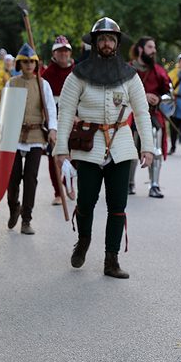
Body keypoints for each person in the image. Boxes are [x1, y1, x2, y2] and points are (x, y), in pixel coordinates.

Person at [54, 17, 154, 279]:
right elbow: (65, 112)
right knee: (86, 201)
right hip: (89, 146)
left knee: (118, 205)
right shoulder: (78, 75)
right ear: (95, 43)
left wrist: (148, 148)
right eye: (102, 39)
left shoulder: (130, 76)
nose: (107, 43)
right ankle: (84, 241)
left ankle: (112, 259)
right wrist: (61, 149)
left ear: (117, 43)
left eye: (111, 39)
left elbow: (142, 112)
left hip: (121, 146)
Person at [4, 43, 58, 235]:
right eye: (25, 62)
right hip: (15, 135)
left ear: (36, 64)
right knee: (12, 179)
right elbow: (5, 111)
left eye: (31, 62)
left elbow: (51, 108)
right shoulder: (12, 83)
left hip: (36, 135)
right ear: (19, 64)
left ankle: (26, 219)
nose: (28, 65)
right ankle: (14, 207)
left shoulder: (43, 85)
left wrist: (52, 129)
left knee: (30, 178)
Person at [128, 36, 171, 198]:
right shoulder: (128, 69)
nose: (154, 51)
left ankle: (154, 184)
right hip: (130, 115)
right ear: (140, 49)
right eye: (150, 47)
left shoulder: (159, 72)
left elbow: (168, 94)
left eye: (154, 47)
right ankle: (129, 183)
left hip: (153, 114)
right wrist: (142, 96)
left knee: (155, 147)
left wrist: (159, 99)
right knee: (130, 147)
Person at [41, 35, 75, 205]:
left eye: (65, 51)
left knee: (76, 154)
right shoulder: (47, 74)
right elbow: (43, 98)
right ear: (54, 54)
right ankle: (58, 192)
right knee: (53, 155)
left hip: (76, 119)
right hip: (54, 120)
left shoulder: (78, 71)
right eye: (59, 52)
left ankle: (68, 184)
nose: (63, 55)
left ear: (69, 53)